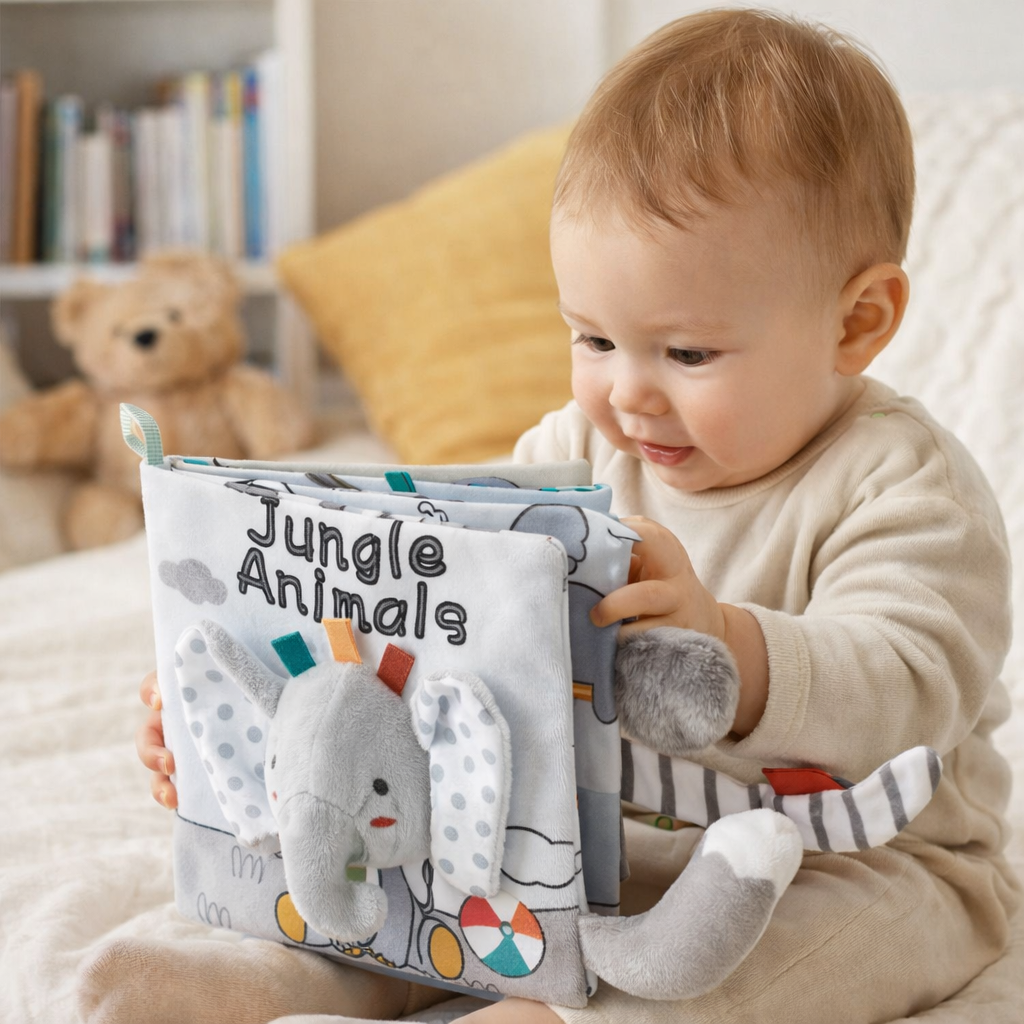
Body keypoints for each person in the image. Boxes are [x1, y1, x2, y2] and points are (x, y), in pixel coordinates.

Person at [126, 10, 1019, 1024]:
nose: (626, 394)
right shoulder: (575, 451)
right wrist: (269, 727)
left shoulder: (905, 484)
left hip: (864, 859)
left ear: (856, 321)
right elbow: (452, 640)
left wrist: (727, 644)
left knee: (718, 982)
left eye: (687, 353)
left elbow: (910, 686)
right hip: (598, 842)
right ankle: (301, 977)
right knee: (420, 886)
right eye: (593, 339)